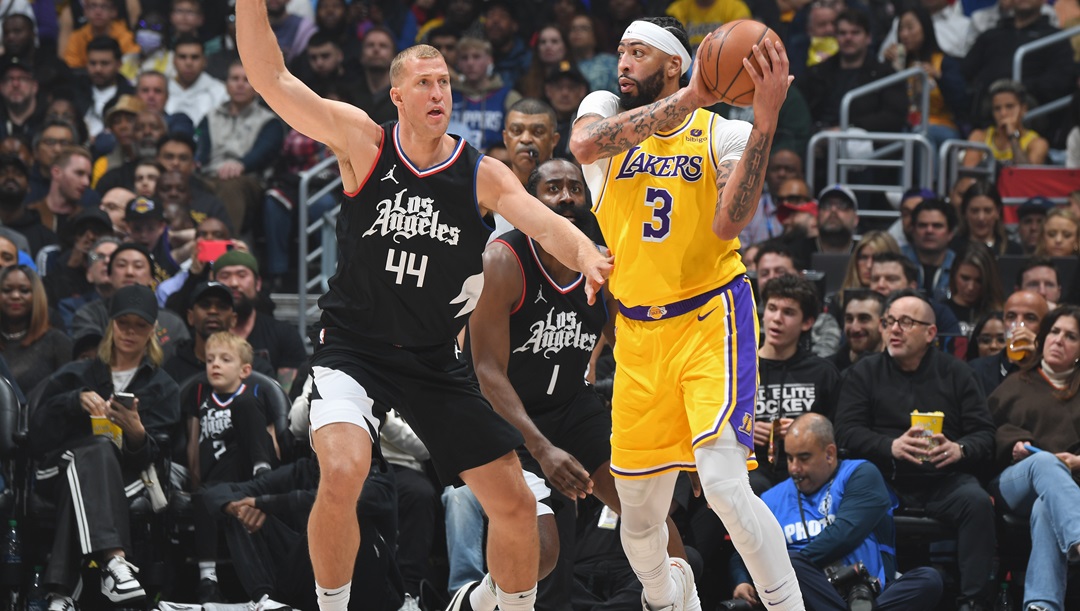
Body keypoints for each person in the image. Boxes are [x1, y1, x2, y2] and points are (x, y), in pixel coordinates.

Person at [236, 1, 612, 610]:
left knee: (515, 506)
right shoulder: (363, 143)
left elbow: (545, 224)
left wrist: (588, 254)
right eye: (423, 83)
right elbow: (271, 79)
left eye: (444, 84)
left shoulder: (480, 174)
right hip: (355, 350)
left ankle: (496, 605)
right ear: (398, 97)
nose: (438, 93)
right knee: (343, 469)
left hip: (436, 360)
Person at [569, 13, 805, 611]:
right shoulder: (601, 107)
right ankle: (668, 594)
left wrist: (765, 124)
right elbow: (585, 145)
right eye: (620, 50)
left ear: (674, 63)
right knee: (638, 514)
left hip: (710, 318)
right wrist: (693, 94)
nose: (623, 62)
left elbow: (730, 222)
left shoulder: (721, 133)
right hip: (637, 333)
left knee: (725, 487)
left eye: (639, 52)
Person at [834, 290, 997, 611]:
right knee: (856, 495)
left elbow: (985, 434)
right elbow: (845, 431)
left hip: (942, 478)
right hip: (883, 477)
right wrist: (889, 445)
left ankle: (973, 602)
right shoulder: (864, 373)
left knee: (977, 502)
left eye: (906, 322)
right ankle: (864, 594)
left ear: (931, 333)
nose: (894, 329)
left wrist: (959, 449)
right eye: (889, 321)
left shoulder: (957, 373)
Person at [29, 284, 181, 611]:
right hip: (60, 466)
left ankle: (61, 595)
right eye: (123, 322)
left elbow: (159, 454)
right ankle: (115, 561)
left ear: (153, 329)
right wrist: (74, 400)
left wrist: (137, 431)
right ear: (111, 323)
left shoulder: (162, 385)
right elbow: (37, 433)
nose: (130, 331)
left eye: (140, 325)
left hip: (126, 476)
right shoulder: (76, 373)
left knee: (91, 468)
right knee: (95, 449)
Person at [731, 413, 944, 611]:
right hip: (808, 597)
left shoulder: (860, 474)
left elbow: (844, 534)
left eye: (804, 458)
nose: (794, 468)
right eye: (789, 458)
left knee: (929, 579)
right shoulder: (771, 499)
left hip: (868, 593)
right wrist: (742, 579)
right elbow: (744, 551)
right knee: (793, 563)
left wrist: (779, 568)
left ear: (830, 453)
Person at [988, 305, 1080, 611]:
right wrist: (1013, 443)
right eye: (1054, 332)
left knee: (1047, 506)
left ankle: (1041, 605)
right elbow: (985, 430)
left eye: (1071, 336)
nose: (1058, 340)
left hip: (1066, 489)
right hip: (1016, 480)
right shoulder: (1016, 383)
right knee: (1045, 462)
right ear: (1042, 338)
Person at [185, 331, 278, 604]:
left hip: (248, 472)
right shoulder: (199, 391)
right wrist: (194, 484)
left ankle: (262, 473)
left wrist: (266, 471)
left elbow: (270, 438)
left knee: (244, 404)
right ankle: (208, 580)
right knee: (203, 496)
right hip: (214, 480)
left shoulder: (256, 392)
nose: (214, 365)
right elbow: (192, 442)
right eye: (210, 359)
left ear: (245, 369)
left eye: (225, 359)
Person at [752, 274, 841, 493]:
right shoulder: (740, 368)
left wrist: (805, 432)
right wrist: (744, 431)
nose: (776, 318)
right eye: (772, 308)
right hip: (751, 467)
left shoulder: (822, 372)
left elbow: (840, 432)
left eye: (789, 312)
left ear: (807, 322)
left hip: (808, 472)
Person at [0, 264, 71, 393]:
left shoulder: (57, 341)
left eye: (24, 290)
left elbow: (67, 396)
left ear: (36, 296)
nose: (15, 296)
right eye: (7, 290)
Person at [968, 290, 1048, 396]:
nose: (1019, 325)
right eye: (1011, 317)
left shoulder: (1055, 370)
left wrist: (1037, 360)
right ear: (1004, 322)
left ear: (1046, 326)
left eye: (1030, 318)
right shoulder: (977, 370)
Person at [902, 198, 957, 302]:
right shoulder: (897, 260)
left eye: (937, 226)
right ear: (912, 230)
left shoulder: (960, 265)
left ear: (950, 233)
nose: (929, 231)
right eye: (922, 225)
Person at [950, 181, 1023, 255]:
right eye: (975, 211)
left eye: (987, 211)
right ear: (965, 213)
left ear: (997, 212)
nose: (981, 218)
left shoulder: (1013, 251)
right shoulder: (952, 249)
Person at [945, 243, 1004, 335]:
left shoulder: (1001, 315)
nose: (971, 287)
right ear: (954, 274)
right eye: (965, 278)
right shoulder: (940, 312)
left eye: (979, 281)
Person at [833, 290, 886, 372]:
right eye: (849, 319)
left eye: (864, 319)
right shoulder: (830, 370)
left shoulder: (897, 369)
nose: (854, 328)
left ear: (883, 323)